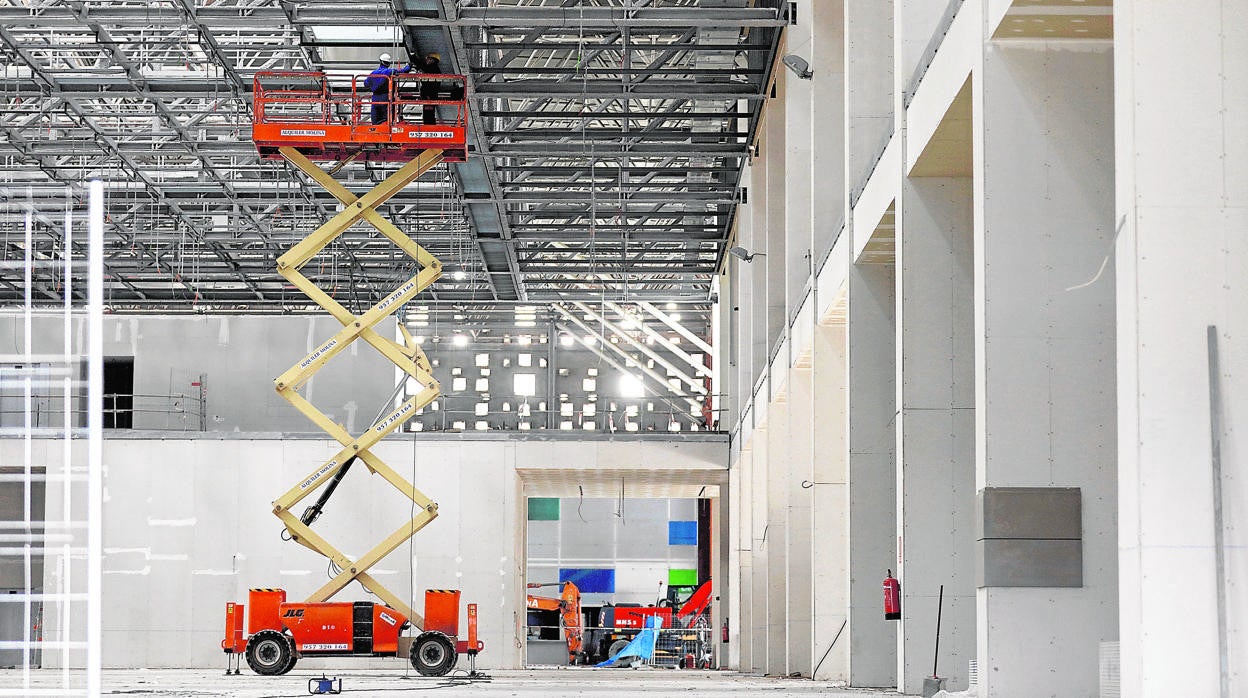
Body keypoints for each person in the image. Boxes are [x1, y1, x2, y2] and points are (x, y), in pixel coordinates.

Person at [363, 52, 412, 125]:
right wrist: (409, 66)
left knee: (375, 123)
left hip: (375, 100)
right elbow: (403, 71)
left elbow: (366, 84)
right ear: (388, 63)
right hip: (386, 99)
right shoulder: (389, 72)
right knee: (386, 122)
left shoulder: (373, 73)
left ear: (380, 61)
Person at [419, 53, 442, 125]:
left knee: (428, 114)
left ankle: (429, 126)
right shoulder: (435, 69)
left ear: (432, 60)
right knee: (429, 113)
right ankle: (429, 126)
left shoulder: (432, 68)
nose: (427, 61)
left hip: (429, 95)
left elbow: (422, 66)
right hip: (430, 95)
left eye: (428, 59)